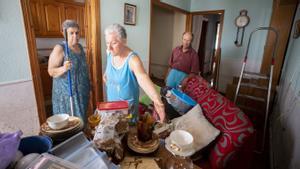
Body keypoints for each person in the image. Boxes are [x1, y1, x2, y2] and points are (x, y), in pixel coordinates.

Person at [103, 23, 165, 123]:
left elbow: (143, 78)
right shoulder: (109, 52)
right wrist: (106, 74)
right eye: (107, 43)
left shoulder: (133, 60)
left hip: (127, 113)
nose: (109, 47)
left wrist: (157, 101)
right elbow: (108, 70)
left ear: (124, 41)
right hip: (112, 108)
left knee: (128, 136)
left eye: (114, 43)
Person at [48, 20, 90, 123]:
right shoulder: (60, 49)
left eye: (77, 33)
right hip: (67, 95)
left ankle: (82, 137)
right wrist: (64, 68)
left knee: (81, 120)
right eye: (71, 33)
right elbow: (51, 71)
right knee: (70, 123)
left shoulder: (79, 47)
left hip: (81, 92)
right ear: (64, 33)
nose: (75, 36)